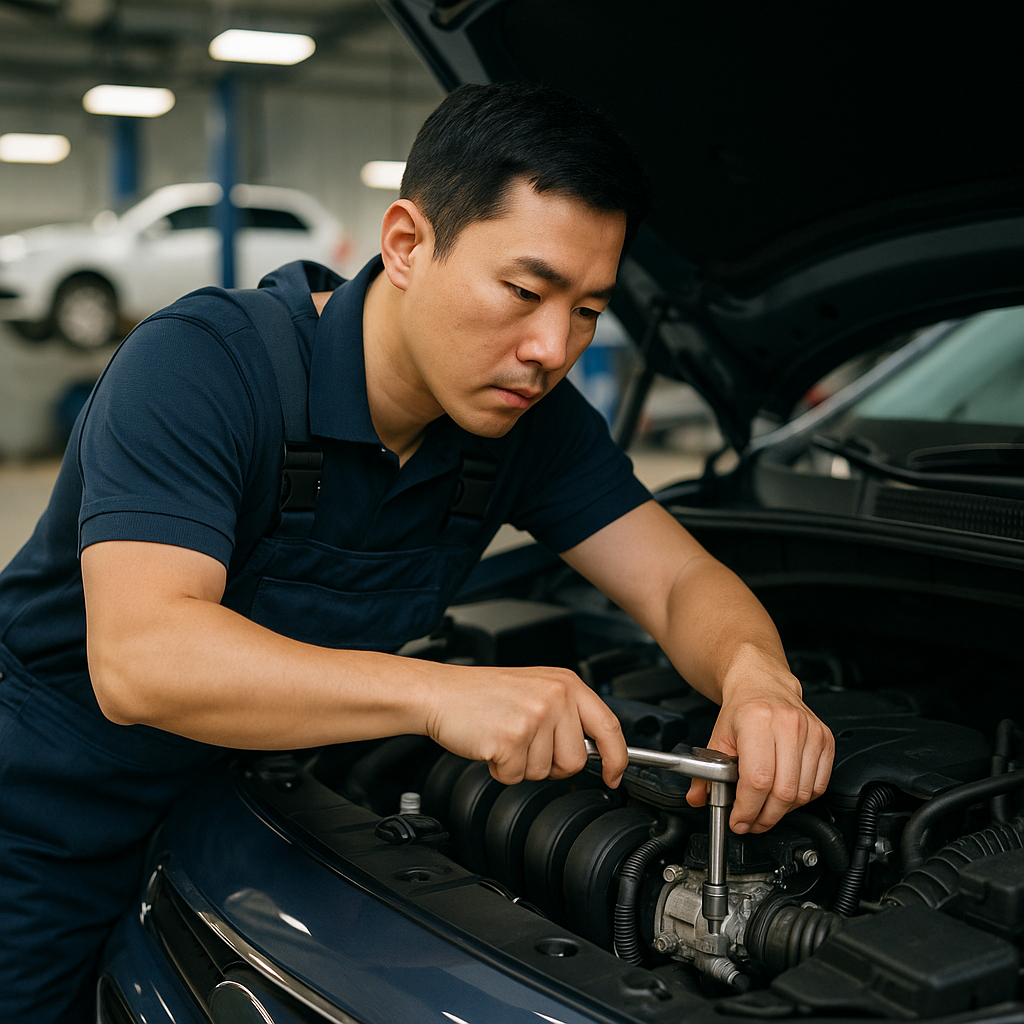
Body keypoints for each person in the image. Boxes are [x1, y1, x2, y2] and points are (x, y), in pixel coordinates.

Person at [0, 82, 833, 1022]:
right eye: (525, 292)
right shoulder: (204, 366)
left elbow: (679, 579)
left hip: (247, 808)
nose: (551, 347)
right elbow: (141, 660)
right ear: (405, 243)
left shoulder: (530, 425)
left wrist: (758, 680)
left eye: (590, 310)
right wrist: (442, 695)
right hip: (43, 820)